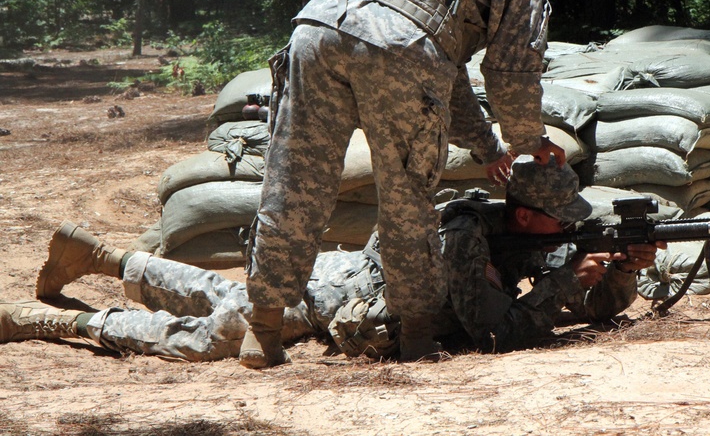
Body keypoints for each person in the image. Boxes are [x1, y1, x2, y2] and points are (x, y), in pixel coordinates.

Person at [241, 0, 578, 367]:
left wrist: (488, 147)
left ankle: (263, 332)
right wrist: (529, 140)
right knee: (406, 197)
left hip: (318, 29)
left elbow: (445, 70)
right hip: (397, 51)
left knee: (294, 183)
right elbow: (510, 70)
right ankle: (418, 337)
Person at [1, 158, 660, 361]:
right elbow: (495, 331)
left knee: (215, 290)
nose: (570, 226)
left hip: (329, 276)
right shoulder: (465, 238)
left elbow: (590, 307)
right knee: (207, 336)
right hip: (316, 300)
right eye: (560, 218)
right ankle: (58, 322)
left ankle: (104, 256)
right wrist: (562, 283)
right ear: (523, 216)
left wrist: (622, 271)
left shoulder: (525, 237)